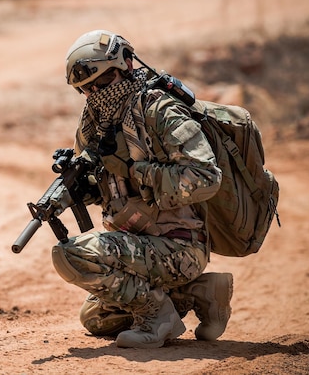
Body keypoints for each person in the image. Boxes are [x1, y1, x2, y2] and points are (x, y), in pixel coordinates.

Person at [50, 29, 234, 348]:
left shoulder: (160, 109)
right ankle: (202, 293)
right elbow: (112, 186)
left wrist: (136, 170)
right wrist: (82, 189)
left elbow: (206, 177)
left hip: (178, 245)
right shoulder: (96, 122)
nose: (94, 94)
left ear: (126, 67)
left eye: (102, 83)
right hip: (137, 242)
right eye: (85, 89)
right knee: (97, 318)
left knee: (71, 255)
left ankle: (157, 317)